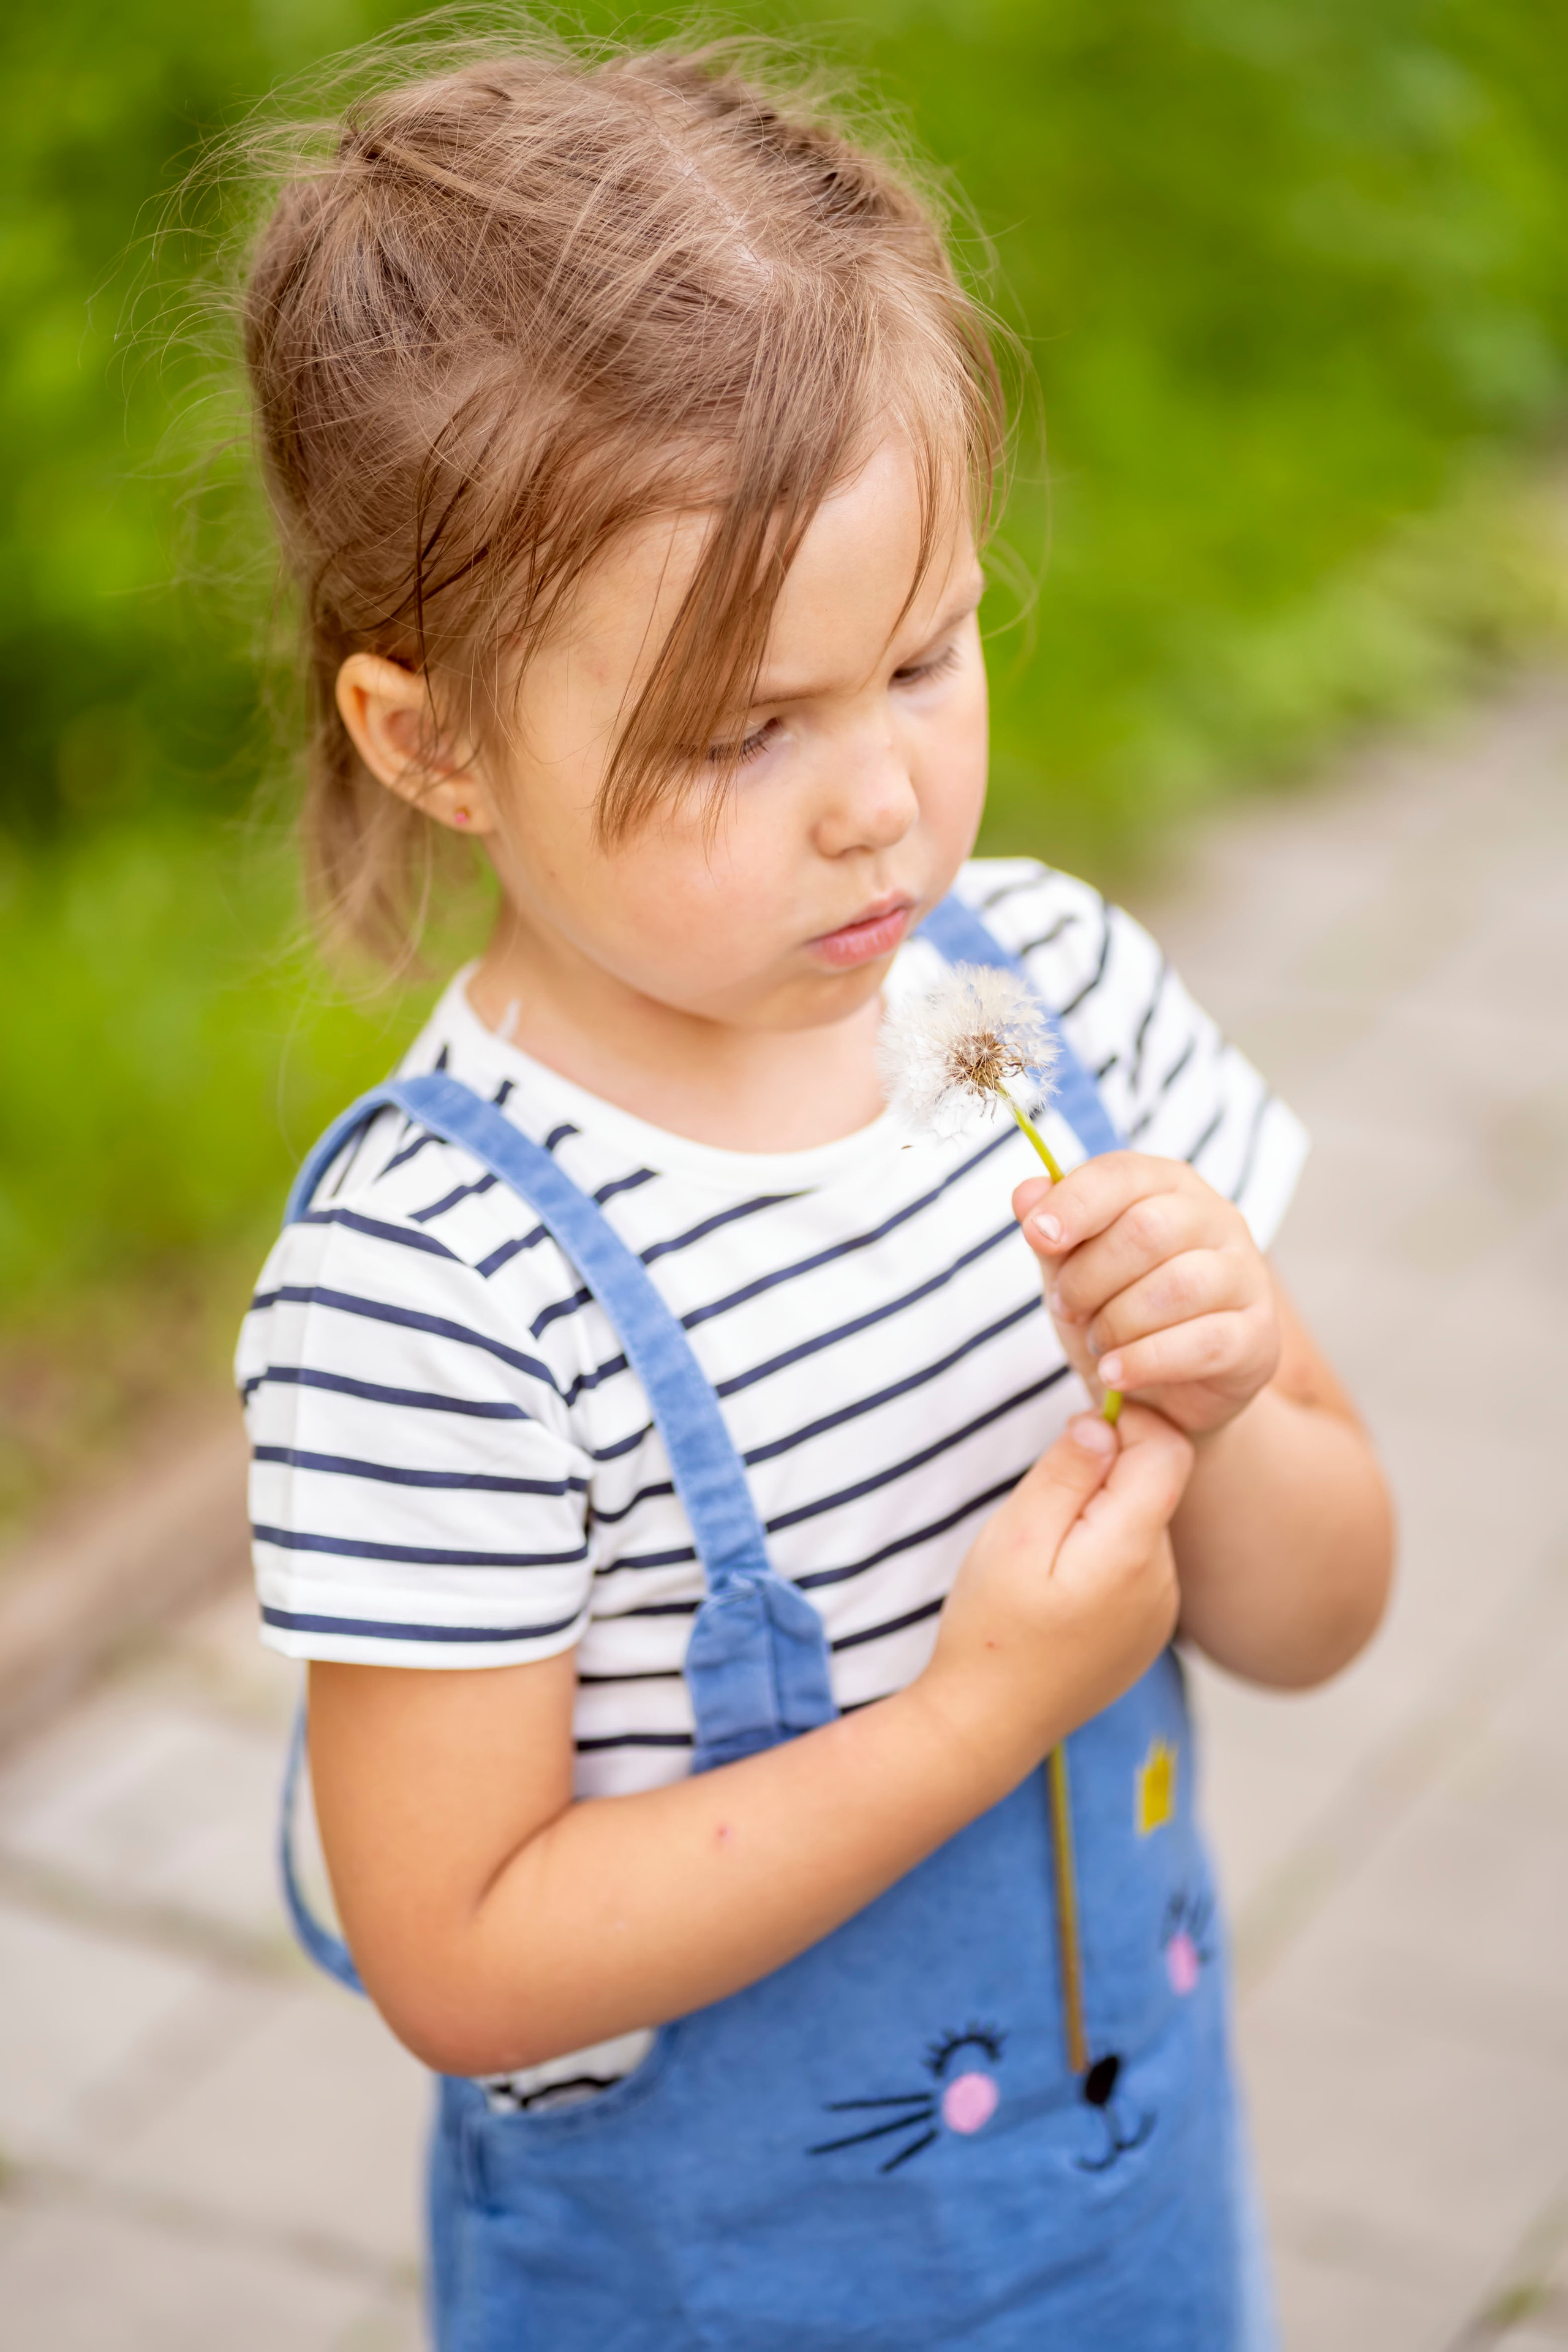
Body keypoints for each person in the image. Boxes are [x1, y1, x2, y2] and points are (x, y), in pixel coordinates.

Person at [235, 30, 1393, 2348]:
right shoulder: (440, 1288)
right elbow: (458, 1952)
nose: (877, 798)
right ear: (435, 738)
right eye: (739, 730)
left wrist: (1236, 1384)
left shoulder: (1027, 1013)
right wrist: (973, 1721)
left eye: (921, 657)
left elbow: (1319, 1613)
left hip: (1126, 2248)